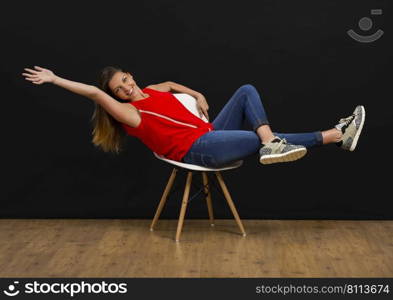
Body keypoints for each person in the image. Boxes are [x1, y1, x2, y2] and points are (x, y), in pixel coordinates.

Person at [22, 66, 366, 168]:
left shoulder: (153, 89)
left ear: (129, 75)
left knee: (246, 88)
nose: (127, 88)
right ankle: (335, 135)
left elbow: (171, 83)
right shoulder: (128, 113)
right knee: (252, 139)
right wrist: (54, 80)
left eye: (125, 80)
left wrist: (199, 95)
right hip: (195, 149)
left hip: (210, 131)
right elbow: (94, 93)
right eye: (119, 89)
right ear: (116, 97)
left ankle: (272, 143)